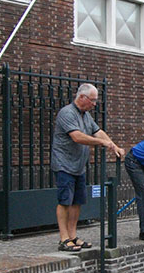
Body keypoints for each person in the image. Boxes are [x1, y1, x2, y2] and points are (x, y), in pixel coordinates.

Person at [51, 84, 124, 252]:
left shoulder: (86, 116)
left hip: (79, 166)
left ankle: (72, 236)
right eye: (92, 100)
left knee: (77, 202)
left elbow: (98, 132)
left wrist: (114, 146)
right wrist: (101, 143)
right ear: (82, 97)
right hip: (64, 164)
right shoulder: (67, 113)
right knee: (65, 201)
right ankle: (63, 239)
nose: (94, 104)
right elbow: (76, 137)